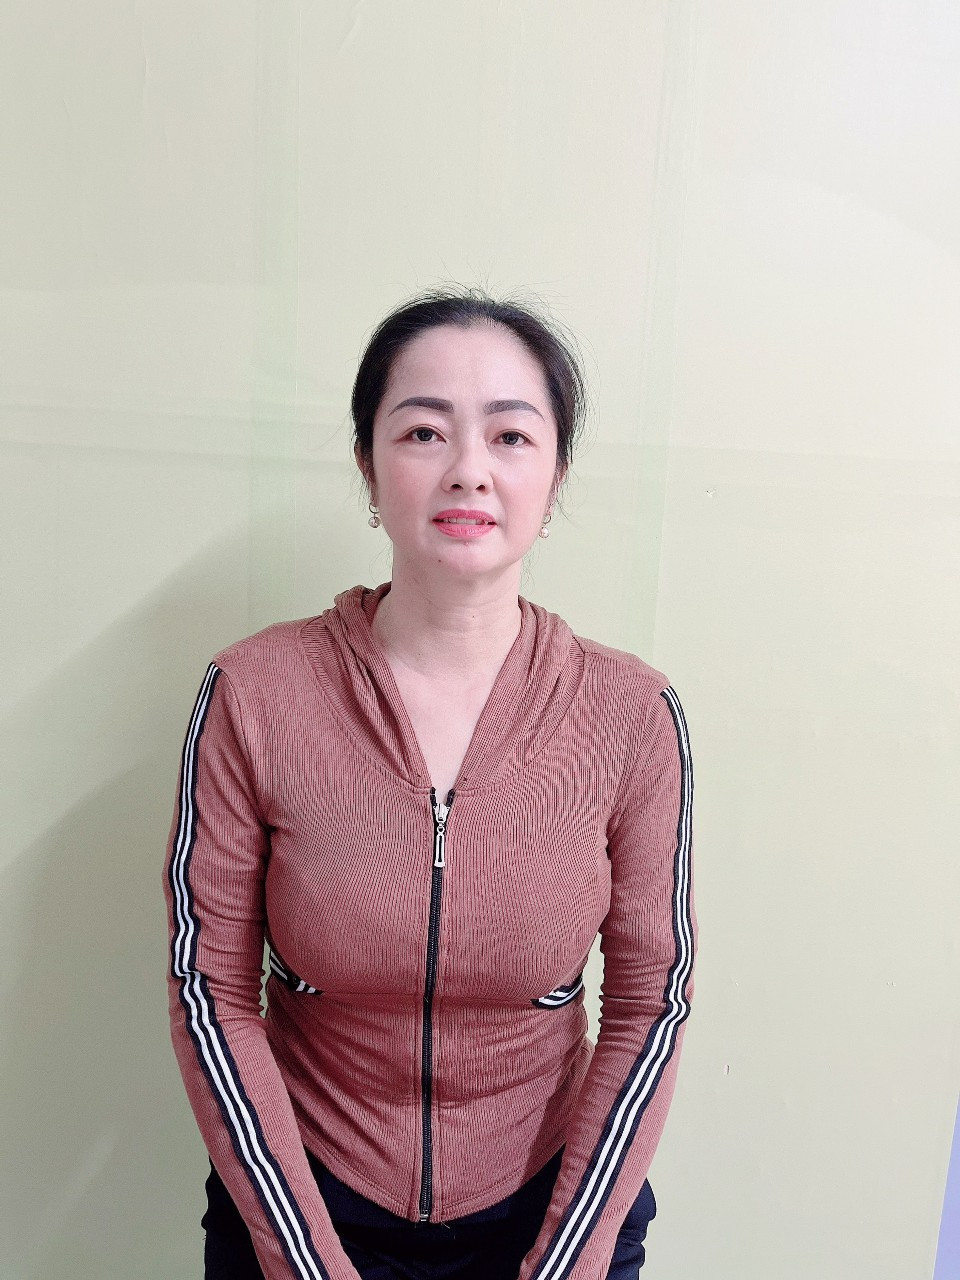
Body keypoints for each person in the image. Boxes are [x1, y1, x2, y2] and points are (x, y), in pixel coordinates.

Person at [162, 287, 697, 1280]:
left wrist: (567, 1260)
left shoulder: (633, 714)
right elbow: (210, 988)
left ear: (555, 474)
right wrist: (302, 1255)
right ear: (368, 465)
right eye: (423, 431)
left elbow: (650, 1002)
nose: (468, 470)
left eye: (511, 435)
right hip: (299, 1199)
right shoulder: (254, 691)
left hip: (553, 1206)